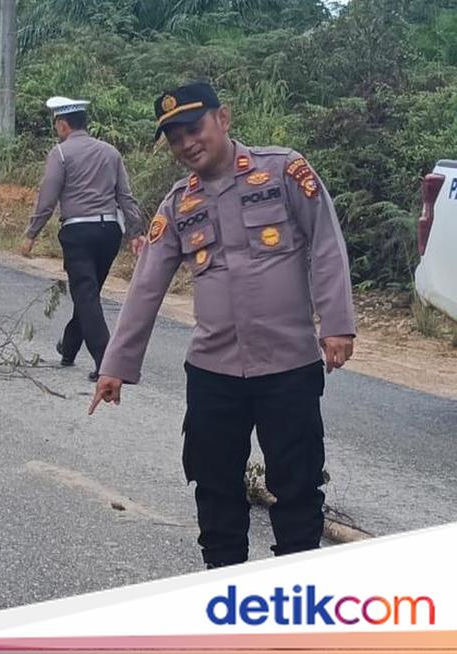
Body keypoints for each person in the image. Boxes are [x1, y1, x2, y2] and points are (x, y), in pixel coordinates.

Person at [90, 82, 357, 569]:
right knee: (213, 488)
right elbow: (146, 286)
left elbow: (325, 242)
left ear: (224, 119)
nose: (187, 143)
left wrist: (336, 323)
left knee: (297, 486)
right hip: (213, 373)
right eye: (175, 138)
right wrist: (116, 366)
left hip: (288, 366)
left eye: (194, 128)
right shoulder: (176, 205)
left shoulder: (282, 171)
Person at [19, 96, 145, 381]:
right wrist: (136, 231)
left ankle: (107, 362)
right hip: (110, 231)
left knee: (86, 294)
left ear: (63, 125)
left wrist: (31, 234)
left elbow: (47, 199)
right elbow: (125, 196)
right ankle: (69, 346)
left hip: (78, 232)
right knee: (87, 294)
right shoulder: (111, 152)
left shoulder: (60, 153)